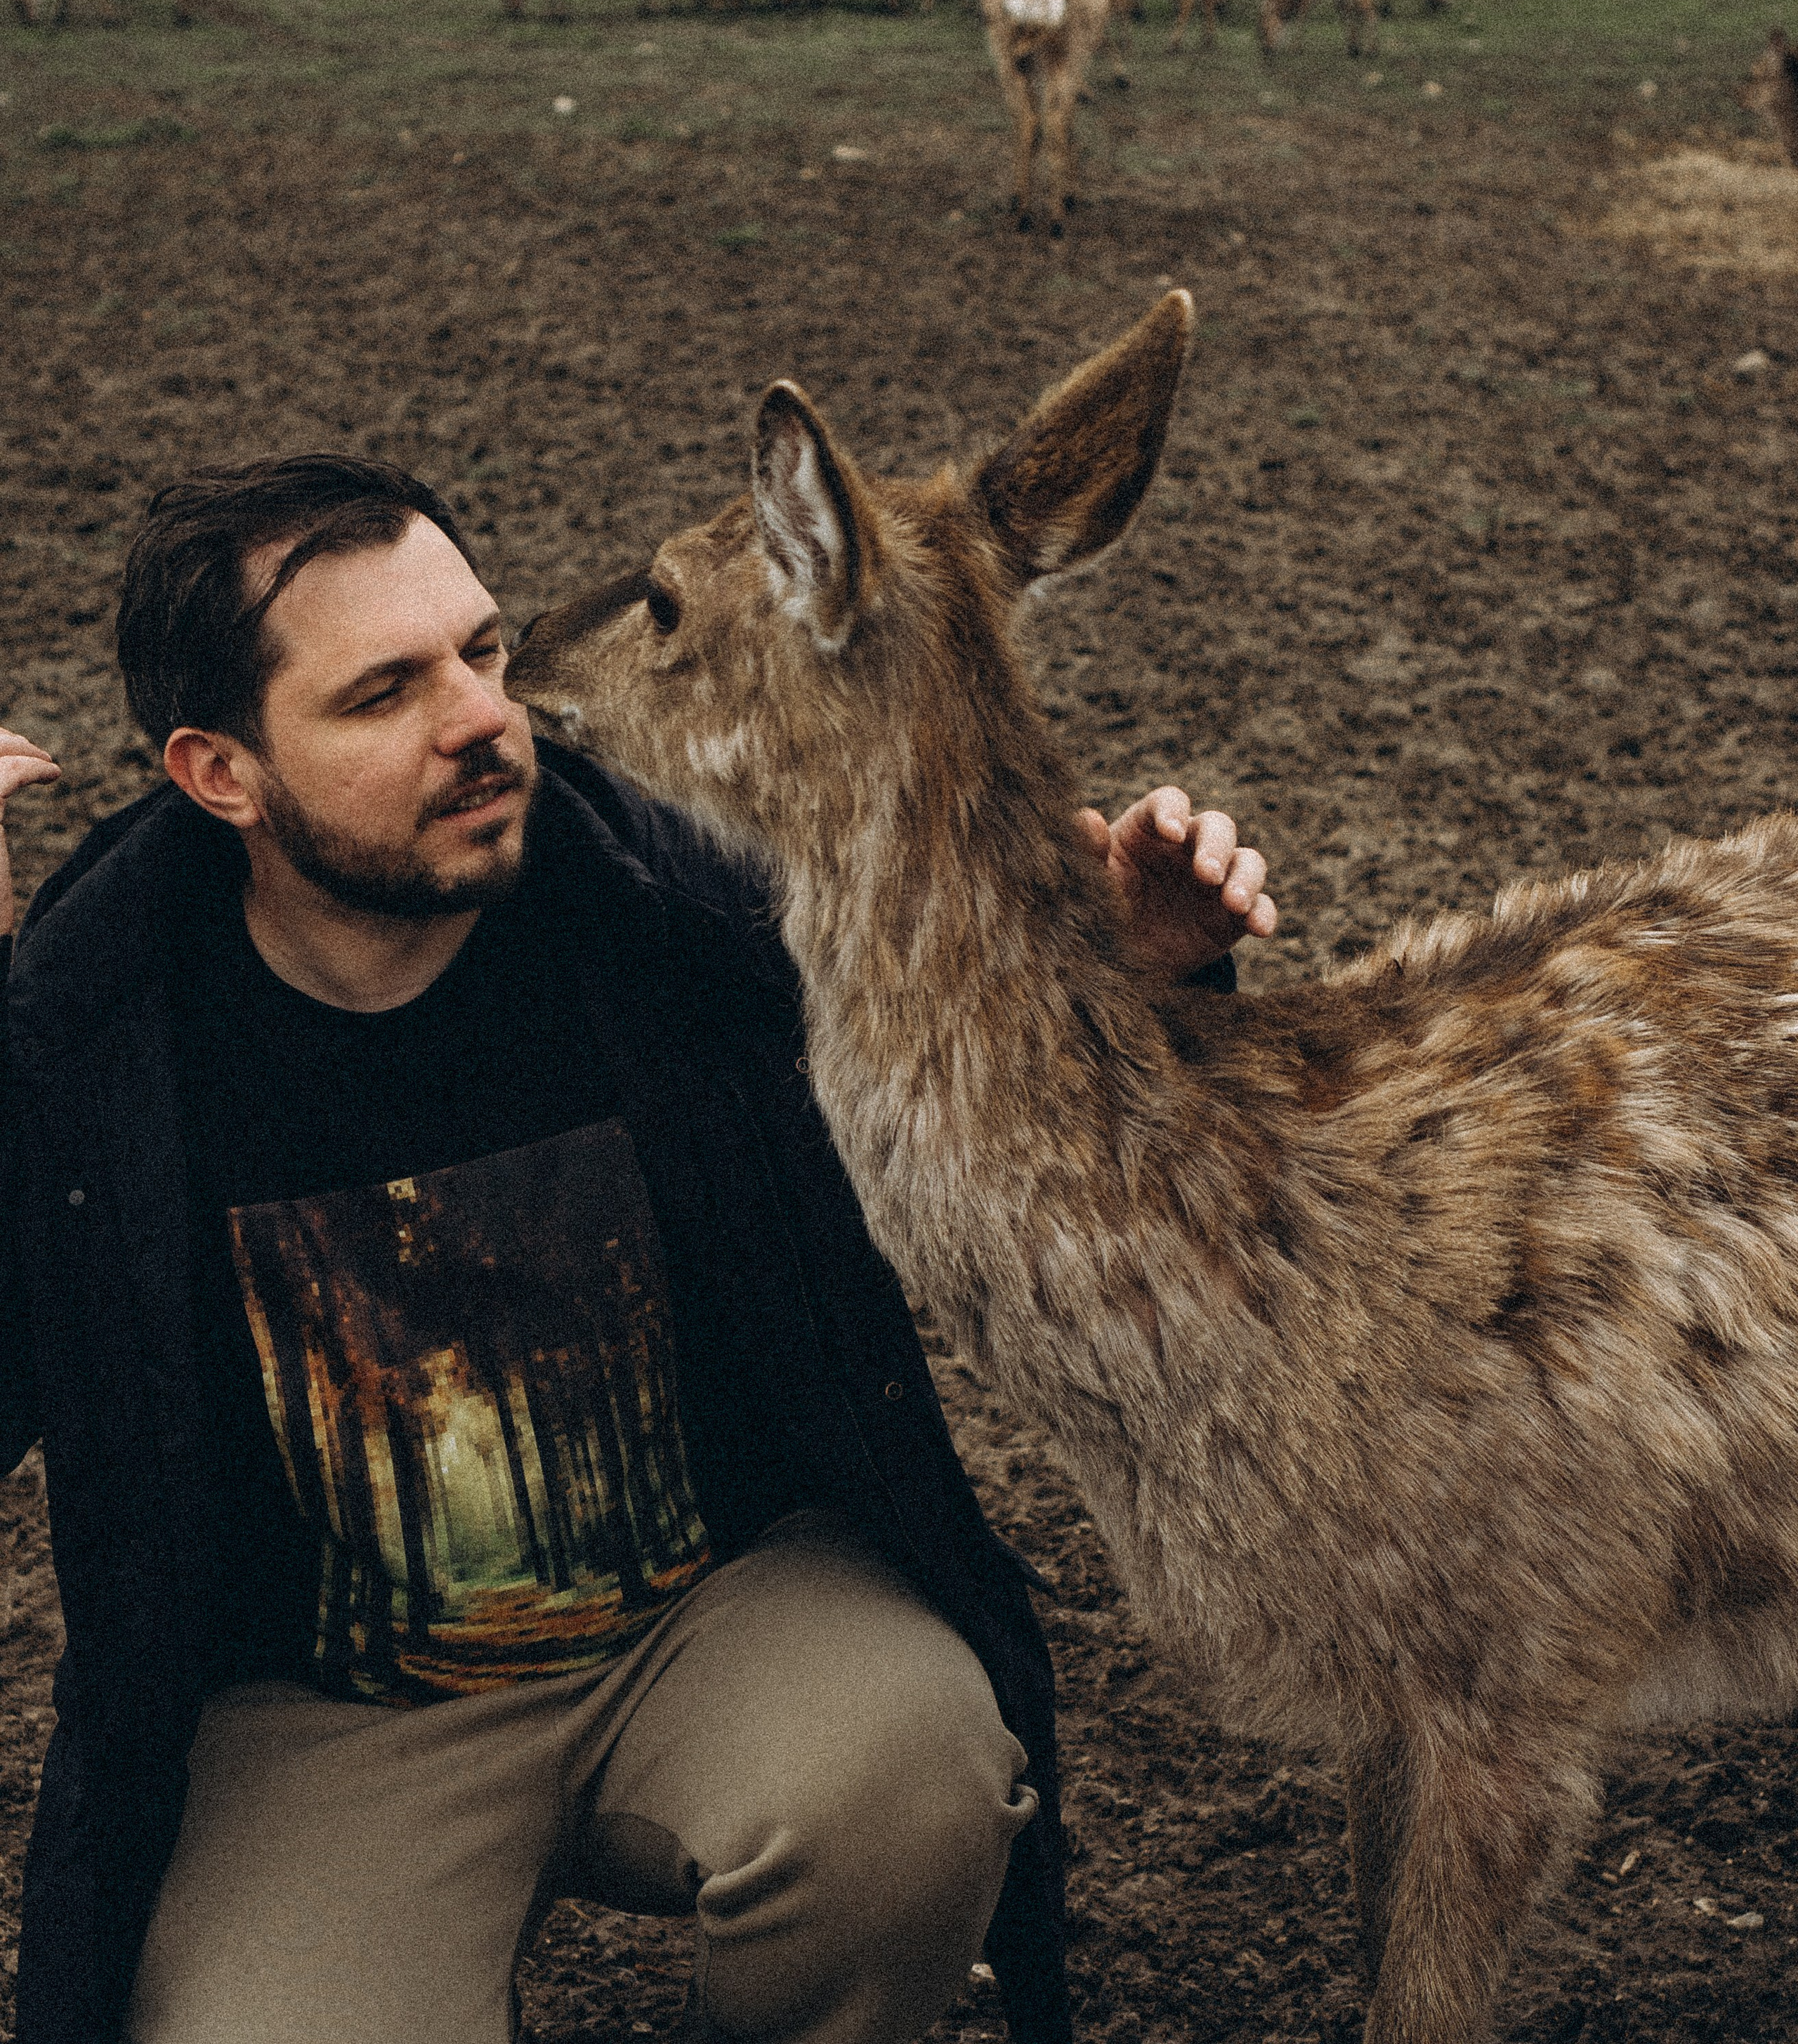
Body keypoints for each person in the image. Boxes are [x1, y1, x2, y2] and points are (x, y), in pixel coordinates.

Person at [0, 456, 1275, 2044]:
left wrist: (1128, 982)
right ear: (220, 773)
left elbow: (1026, 1185)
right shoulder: (96, 1035)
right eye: (384, 693)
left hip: (721, 1613)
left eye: (481, 651)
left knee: (917, 1778)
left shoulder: (682, 911)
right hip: (333, 1718)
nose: (483, 717)